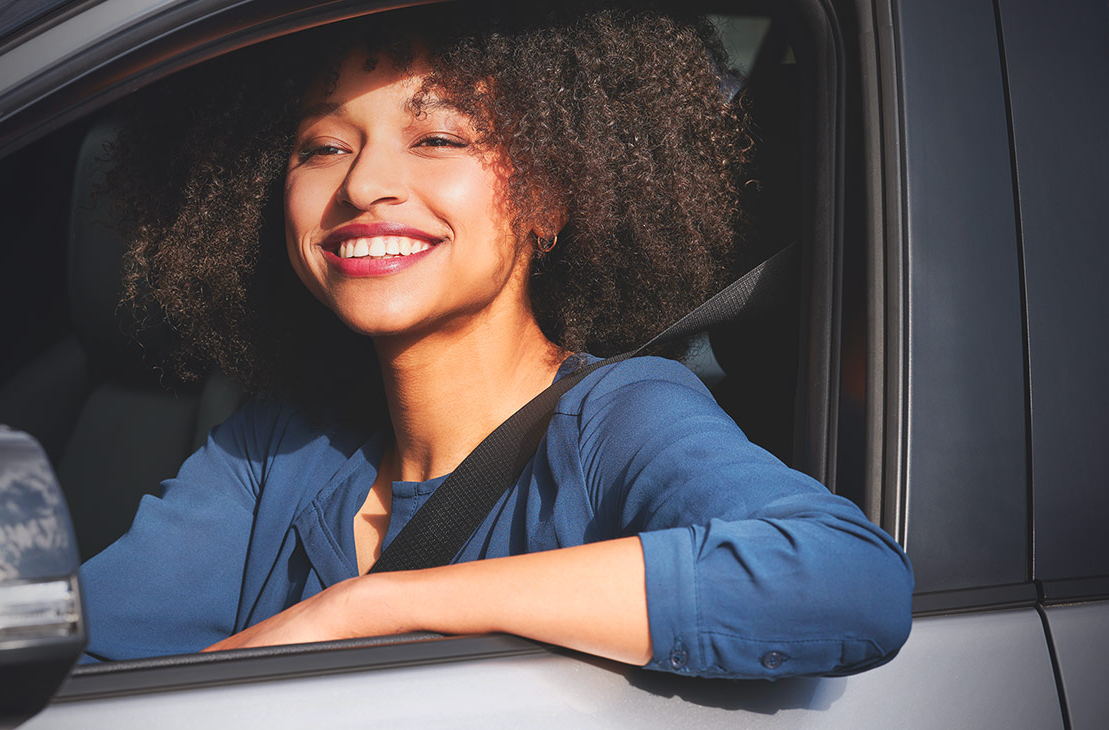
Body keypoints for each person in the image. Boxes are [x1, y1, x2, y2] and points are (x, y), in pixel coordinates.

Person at [78, 2, 912, 679]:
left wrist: (373, 606)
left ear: (551, 194)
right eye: (323, 146)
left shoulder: (615, 419)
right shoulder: (276, 447)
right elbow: (77, 669)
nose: (363, 184)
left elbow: (846, 581)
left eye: (438, 138)